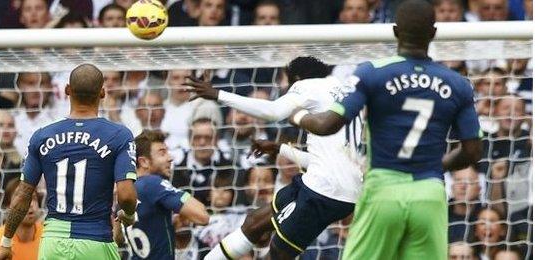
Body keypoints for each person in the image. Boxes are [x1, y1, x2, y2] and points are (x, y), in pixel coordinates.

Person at [287, 1, 483, 259]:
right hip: (430, 193)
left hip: (384, 189)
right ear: (434, 33)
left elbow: (326, 125)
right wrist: (436, 166)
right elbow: (472, 151)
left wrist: (297, 114)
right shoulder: (458, 83)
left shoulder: (372, 73)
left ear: (395, 31)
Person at [186, 56, 362, 259]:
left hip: (323, 190)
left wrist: (217, 94)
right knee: (254, 222)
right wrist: (280, 149)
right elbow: (324, 161)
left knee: (278, 253)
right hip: (337, 188)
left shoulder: (307, 85)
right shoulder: (341, 90)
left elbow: (273, 111)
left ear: (295, 77)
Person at [0, 64, 138, 260]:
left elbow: (23, 193)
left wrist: (6, 242)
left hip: (53, 241)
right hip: (96, 241)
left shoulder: (42, 136)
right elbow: (127, 196)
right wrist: (129, 215)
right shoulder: (119, 135)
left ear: (67, 90)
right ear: (103, 93)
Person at [123, 130, 209, 259]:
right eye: (162, 153)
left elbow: (117, 236)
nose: (170, 158)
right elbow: (202, 217)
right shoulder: (154, 183)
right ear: (144, 162)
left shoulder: (125, 189)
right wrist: (178, 195)